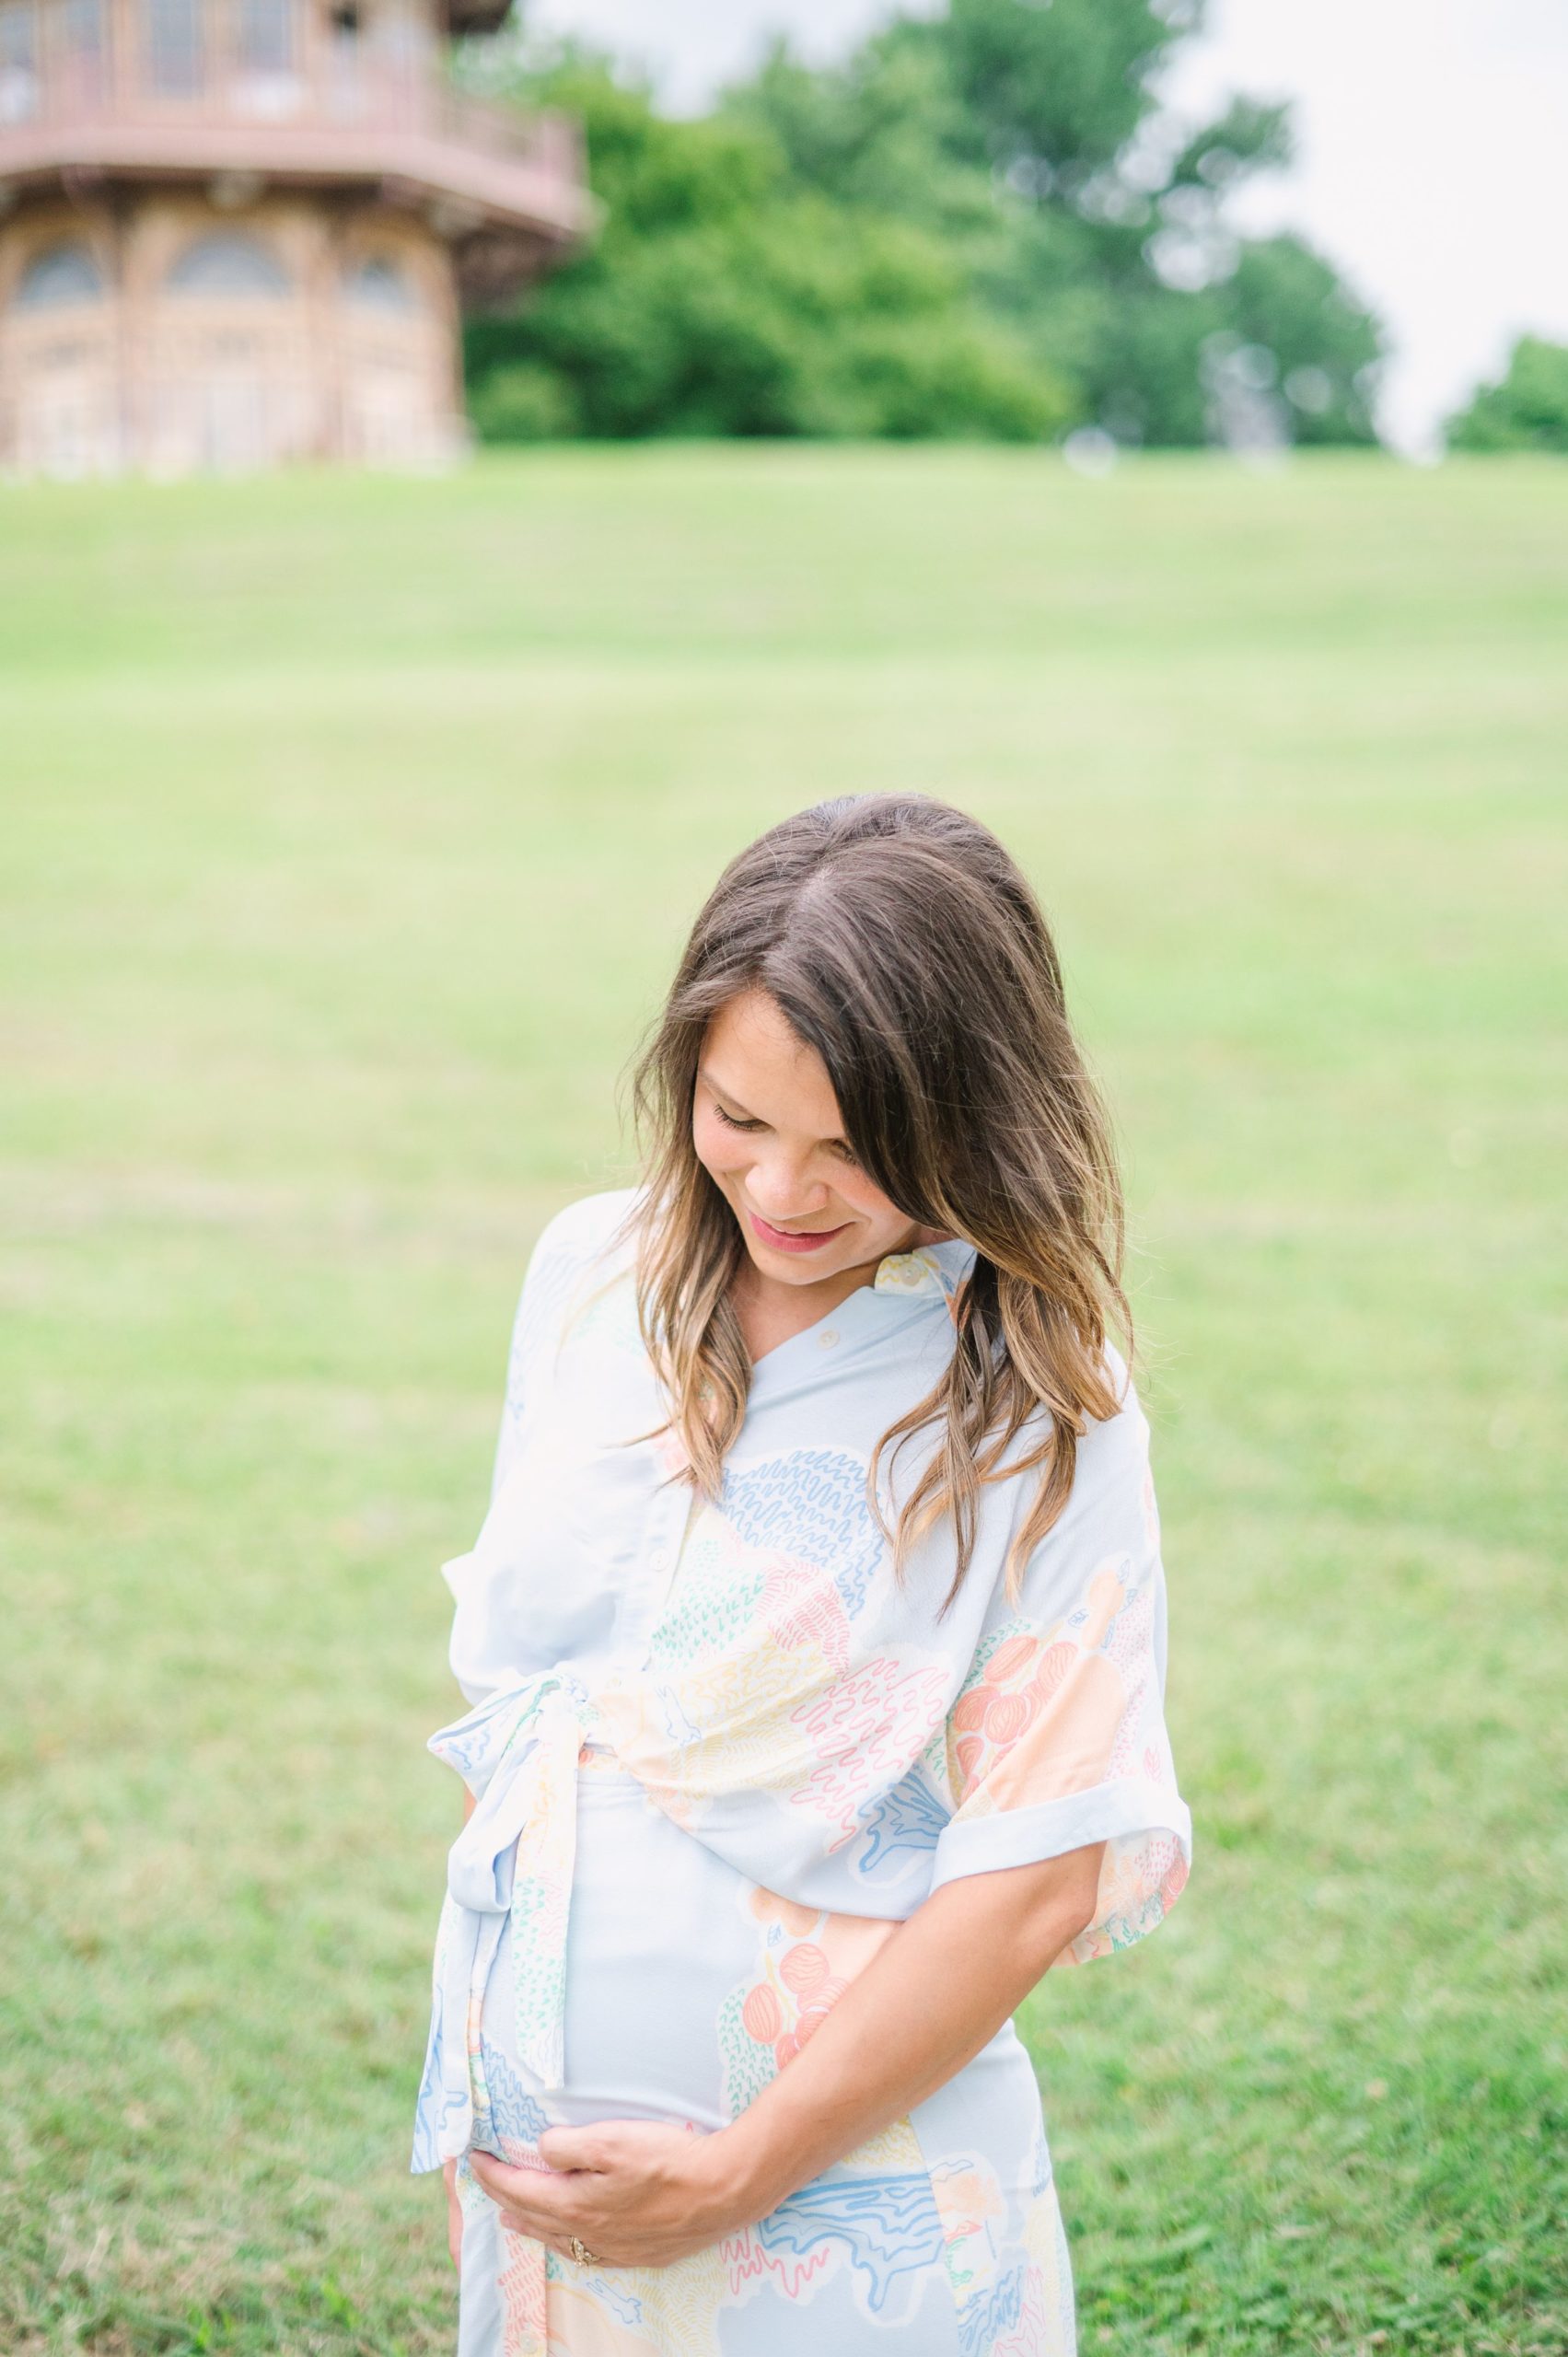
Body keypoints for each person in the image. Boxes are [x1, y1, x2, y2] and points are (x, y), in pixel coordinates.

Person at [410, 792, 1192, 2356]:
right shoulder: (588, 1278)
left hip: (857, 2221)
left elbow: (1034, 1872)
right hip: (551, 2207)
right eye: (739, 1119)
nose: (780, 1194)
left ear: (973, 1121)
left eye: (855, 1150)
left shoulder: (1041, 1405)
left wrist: (739, 2171)